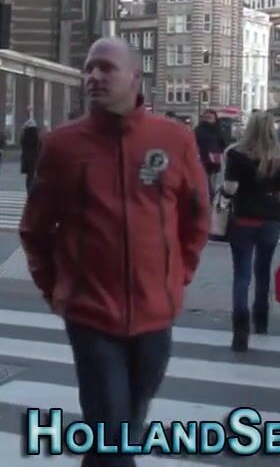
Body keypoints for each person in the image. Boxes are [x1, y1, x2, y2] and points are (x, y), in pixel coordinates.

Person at [18, 37, 210, 466]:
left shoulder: (173, 139)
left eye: (106, 68)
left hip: (154, 315)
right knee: (112, 430)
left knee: (127, 427)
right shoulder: (63, 145)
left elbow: (196, 217)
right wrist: (57, 290)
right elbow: (35, 227)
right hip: (92, 316)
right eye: (89, 68)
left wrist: (176, 277)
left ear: (135, 77)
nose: (94, 76)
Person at [219, 111, 280, 351]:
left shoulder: (236, 154)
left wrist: (221, 194)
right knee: (263, 271)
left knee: (241, 274)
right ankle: (261, 320)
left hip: (243, 219)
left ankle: (240, 327)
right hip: (270, 221)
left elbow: (230, 189)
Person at [194, 109, 227, 201]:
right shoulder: (200, 130)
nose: (207, 120)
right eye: (206, 117)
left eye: (209, 117)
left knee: (211, 179)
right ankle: (209, 196)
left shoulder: (216, 130)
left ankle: (210, 196)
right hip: (205, 157)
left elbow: (222, 143)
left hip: (212, 158)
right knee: (207, 178)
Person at [19, 116, 41, 192]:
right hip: (35, 158)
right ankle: (33, 190)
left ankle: (29, 189)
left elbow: (22, 145)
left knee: (29, 176)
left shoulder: (24, 136)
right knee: (34, 175)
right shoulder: (36, 136)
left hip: (27, 159)